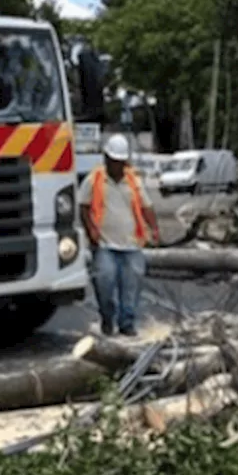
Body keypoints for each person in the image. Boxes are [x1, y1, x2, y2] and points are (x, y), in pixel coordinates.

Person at [79, 134, 161, 336]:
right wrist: (91, 228)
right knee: (104, 283)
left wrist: (154, 229)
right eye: (113, 161)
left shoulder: (134, 181)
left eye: (120, 161)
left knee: (131, 288)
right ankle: (107, 318)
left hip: (131, 244)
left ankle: (127, 324)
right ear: (106, 158)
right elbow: (83, 206)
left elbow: (146, 207)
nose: (117, 165)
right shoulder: (95, 179)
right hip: (105, 245)